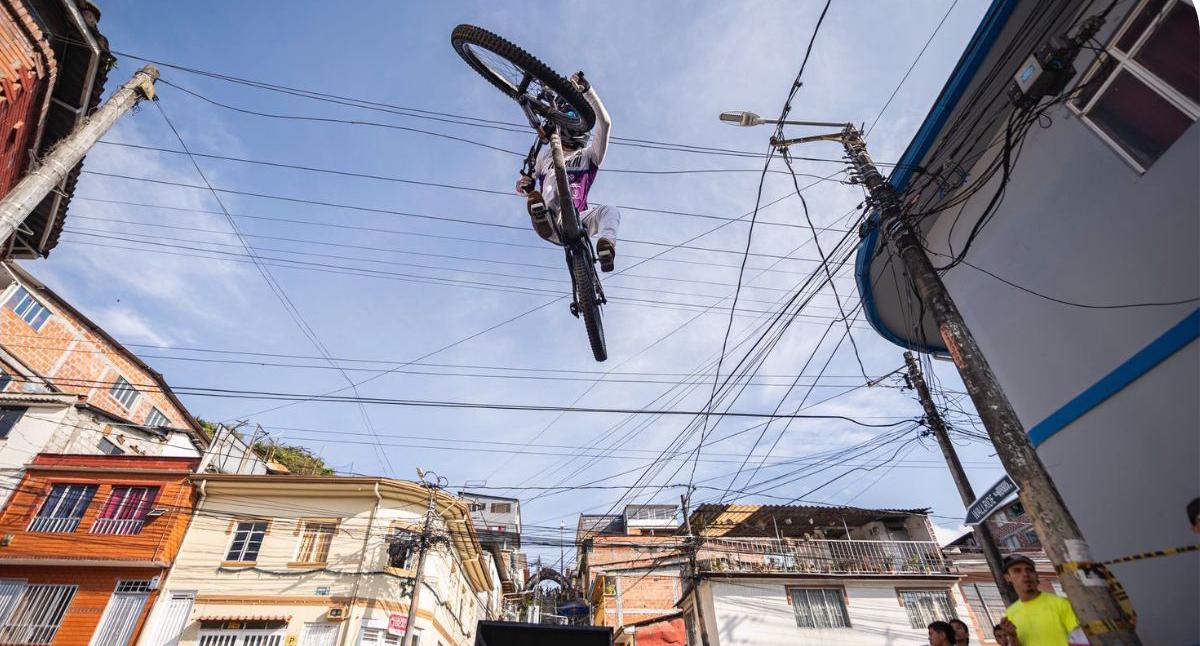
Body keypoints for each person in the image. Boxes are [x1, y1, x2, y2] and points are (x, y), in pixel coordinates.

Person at [517, 71, 621, 272]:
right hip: (551, 217)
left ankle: (606, 247)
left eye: (575, 118)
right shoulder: (545, 155)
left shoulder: (590, 155)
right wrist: (525, 187)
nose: (573, 121)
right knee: (552, 183)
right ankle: (541, 215)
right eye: (570, 117)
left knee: (610, 210)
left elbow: (605, 124)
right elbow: (522, 185)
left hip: (577, 219)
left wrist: (588, 91)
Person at [998, 554, 1088, 646]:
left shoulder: (1061, 603)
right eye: (1017, 571)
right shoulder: (1010, 613)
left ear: (1036, 575)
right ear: (1007, 578)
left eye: (1029, 570)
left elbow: (1081, 641)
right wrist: (1013, 636)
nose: (1025, 574)